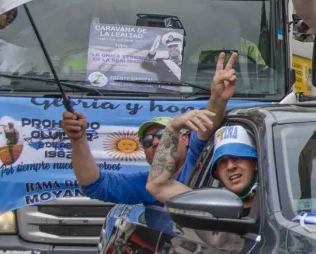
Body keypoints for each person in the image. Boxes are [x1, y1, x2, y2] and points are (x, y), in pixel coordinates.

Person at [61, 53, 238, 204]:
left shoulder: (196, 157)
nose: (154, 142)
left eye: (163, 134)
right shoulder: (147, 183)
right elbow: (95, 185)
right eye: (146, 140)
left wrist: (218, 98)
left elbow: (208, 124)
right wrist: (77, 139)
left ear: (185, 139)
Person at [145, 123, 259, 210]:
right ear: (217, 173)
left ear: (255, 163)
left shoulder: (275, 201)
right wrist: (173, 127)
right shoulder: (212, 204)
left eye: (238, 158)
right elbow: (156, 185)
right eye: (222, 162)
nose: (230, 166)